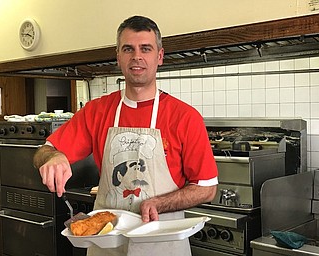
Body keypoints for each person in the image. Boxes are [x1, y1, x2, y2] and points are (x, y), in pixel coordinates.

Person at [33, 15, 218, 256]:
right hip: (105, 245)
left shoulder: (185, 117)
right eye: (128, 49)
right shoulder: (97, 111)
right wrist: (52, 157)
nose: (137, 56)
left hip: (162, 245)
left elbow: (206, 188)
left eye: (146, 48)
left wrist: (157, 203)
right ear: (118, 56)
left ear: (159, 56)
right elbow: (44, 150)